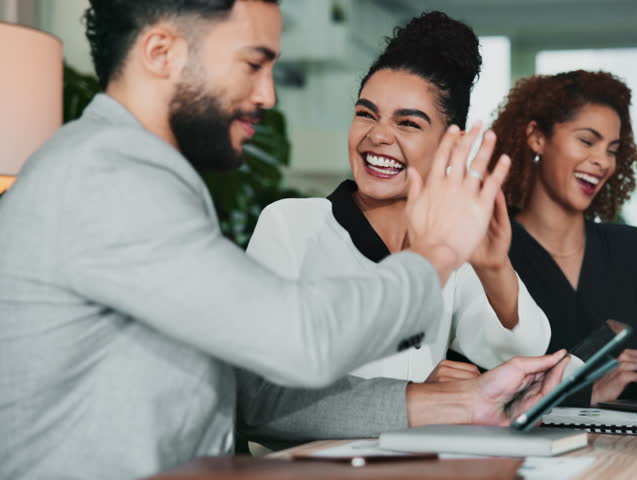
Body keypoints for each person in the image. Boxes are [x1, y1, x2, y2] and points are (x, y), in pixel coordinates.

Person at [0, 1, 568, 478]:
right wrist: (439, 251)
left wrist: (464, 399)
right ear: (161, 53)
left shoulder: (137, 177)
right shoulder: (106, 179)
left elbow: (261, 394)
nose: (268, 95)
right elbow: (302, 340)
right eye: (252, 63)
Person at [243, 12, 550, 386]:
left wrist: (493, 267)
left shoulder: (447, 244)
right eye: (365, 114)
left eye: (407, 123)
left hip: (416, 447)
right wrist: (416, 398)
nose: (378, 135)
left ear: (448, 144)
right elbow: (265, 392)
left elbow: (526, 354)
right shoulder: (291, 225)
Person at [489, 70, 637, 406]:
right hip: (535, 455)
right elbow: (479, 390)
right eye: (587, 141)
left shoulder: (636, 252)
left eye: (612, 149)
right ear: (537, 137)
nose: (602, 161)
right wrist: (590, 391)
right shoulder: (493, 251)